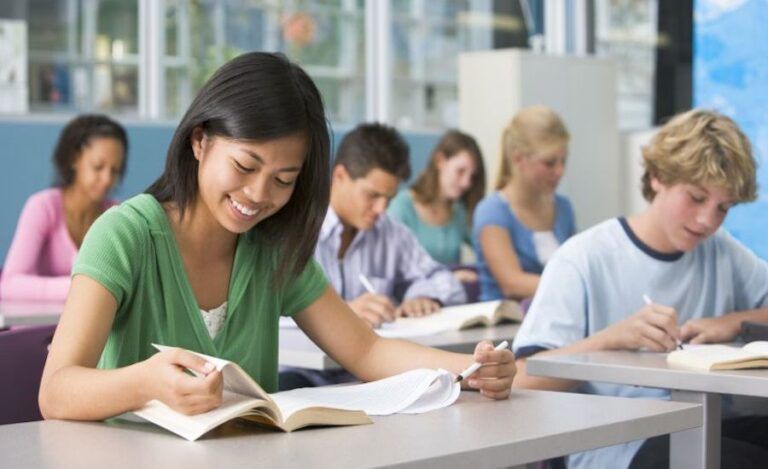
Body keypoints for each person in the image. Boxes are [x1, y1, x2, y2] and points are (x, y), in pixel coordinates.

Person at [38, 53, 515, 422]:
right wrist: (145, 382)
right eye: (245, 166)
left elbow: (366, 350)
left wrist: (469, 371)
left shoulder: (272, 247)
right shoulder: (125, 235)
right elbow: (55, 391)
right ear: (200, 141)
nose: (258, 195)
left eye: (284, 180)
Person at [512, 109, 768, 469]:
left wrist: (734, 321)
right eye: (696, 198)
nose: (707, 220)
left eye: (723, 208)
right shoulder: (583, 259)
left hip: (705, 424)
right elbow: (523, 381)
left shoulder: (721, 251)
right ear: (659, 177)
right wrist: (610, 339)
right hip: (614, 444)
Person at [279, 123, 469, 389]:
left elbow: (443, 279)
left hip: (369, 375)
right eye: (372, 195)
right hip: (300, 375)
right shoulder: (293, 230)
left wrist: (423, 295)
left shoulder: (391, 233)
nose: (381, 209)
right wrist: (338, 315)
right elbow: (266, 312)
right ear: (340, 176)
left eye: (389, 199)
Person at [0, 114, 127, 302]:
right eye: (98, 167)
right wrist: (85, 286)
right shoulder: (43, 207)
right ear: (75, 159)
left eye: (115, 171)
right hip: (41, 328)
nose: (107, 179)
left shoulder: (117, 215)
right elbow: (9, 285)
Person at [472, 106, 576, 301]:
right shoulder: (492, 211)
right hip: (506, 327)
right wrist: (575, 283)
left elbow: (577, 267)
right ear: (519, 159)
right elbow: (512, 284)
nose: (560, 171)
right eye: (550, 163)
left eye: (564, 161)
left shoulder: (564, 208)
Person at [388, 130, 485, 273]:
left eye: (472, 176)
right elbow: (393, 268)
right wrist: (449, 278)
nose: (466, 183)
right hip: (412, 294)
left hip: (454, 294)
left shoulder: (459, 212)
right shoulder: (402, 207)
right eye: (460, 171)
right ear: (440, 161)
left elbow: (486, 249)